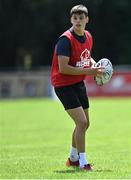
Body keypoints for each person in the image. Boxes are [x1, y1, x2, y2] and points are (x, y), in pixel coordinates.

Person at [51, 4, 104, 171]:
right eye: (75, 18)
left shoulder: (88, 36)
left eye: (81, 18)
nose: (78, 21)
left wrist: (97, 67)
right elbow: (63, 68)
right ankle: (83, 162)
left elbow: (87, 57)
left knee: (85, 123)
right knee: (81, 122)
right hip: (63, 85)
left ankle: (73, 158)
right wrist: (90, 71)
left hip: (78, 83)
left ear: (87, 20)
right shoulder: (65, 40)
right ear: (71, 20)